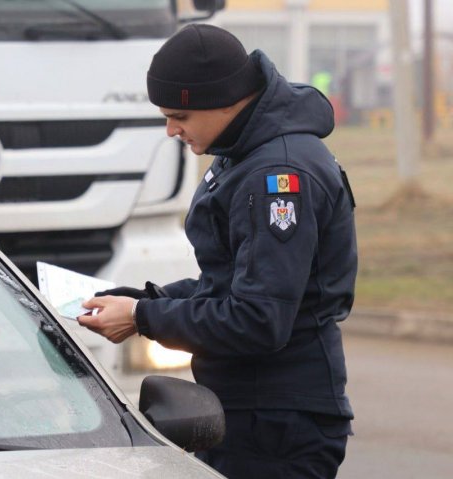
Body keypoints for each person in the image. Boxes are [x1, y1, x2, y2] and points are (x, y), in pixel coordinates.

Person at [78, 24, 357, 479]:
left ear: (222, 100)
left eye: (179, 116)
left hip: (277, 424)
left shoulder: (277, 176)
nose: (171, 130)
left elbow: (258, 319)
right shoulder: (245, 150)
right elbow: (225, 283)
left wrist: (144, 317)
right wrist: (143, 301)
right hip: (253, 413)